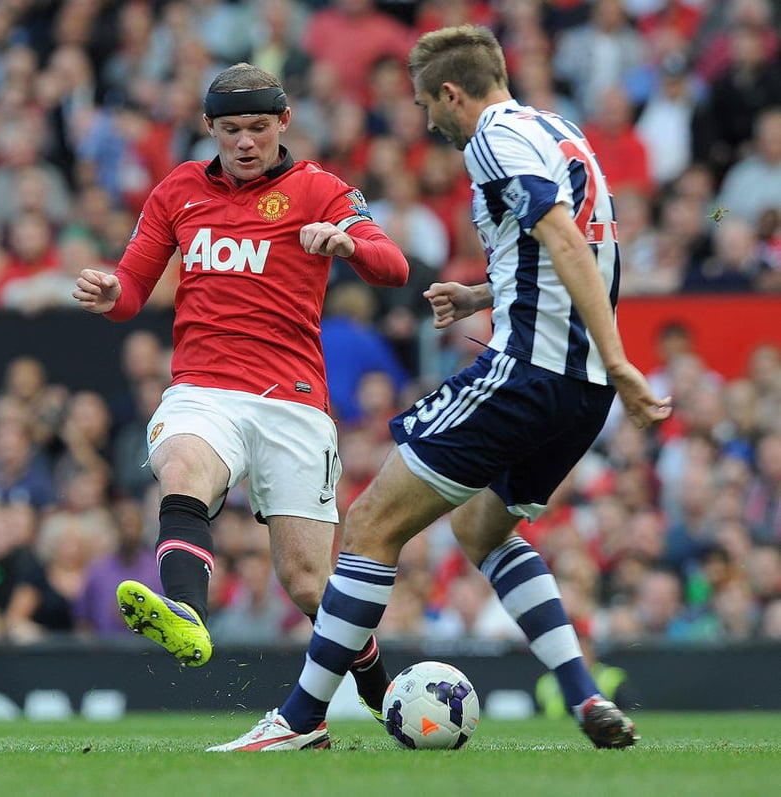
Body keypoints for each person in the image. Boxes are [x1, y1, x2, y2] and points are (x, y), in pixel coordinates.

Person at [212, 25, 672, 753]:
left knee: (369, 527)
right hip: (581, 396)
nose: (430, 123)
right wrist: (483, 291)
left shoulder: (492, 133)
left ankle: (298, 718)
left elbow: (561, 237)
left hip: (529, 372)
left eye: (431, 105)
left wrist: (619, 356)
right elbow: (570, 245)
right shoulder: (562, 132)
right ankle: (584, 694)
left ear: (454, 92)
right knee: (480, 529)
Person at [72, 62, 408, 720]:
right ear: (210, 129)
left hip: (293, 400)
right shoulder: (178, 191)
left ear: (284, 122)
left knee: (310, 584)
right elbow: (133, 286)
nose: (246, 141)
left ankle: (376, 682)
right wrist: (114, 294)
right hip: (205, 388)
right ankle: (188, 613)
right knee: (181, 465)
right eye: (231, 130)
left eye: (258, 127)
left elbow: (393, 266)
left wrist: (348, 244)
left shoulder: (321, 191)